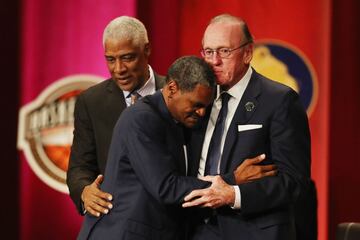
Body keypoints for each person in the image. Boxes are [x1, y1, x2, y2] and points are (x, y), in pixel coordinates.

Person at [77, 56, 277, 240]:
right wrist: (230, 182)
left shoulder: (175, 120)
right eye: (196, 104)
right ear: (172, 88)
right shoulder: (141, 118)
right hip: (123, 233)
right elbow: (165, 186)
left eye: (206, 106)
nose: (201, 112)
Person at [183, 14, 311, 240]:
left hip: (252, 231)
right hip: (197, 230)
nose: (214, 61)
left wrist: (234, 194)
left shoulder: (279, 100)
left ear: (248, 53)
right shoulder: (197, 99)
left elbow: (294, 182)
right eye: (208, 52)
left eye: (224, 51)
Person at [66, 16, 165, 217]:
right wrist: (85, 191)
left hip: (169, 222)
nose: (118, 69)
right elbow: (79, 168)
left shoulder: (175, 93)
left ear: (147, 50)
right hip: (115, 220)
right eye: (111, 59)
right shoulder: (91, 101)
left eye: (127, 57)